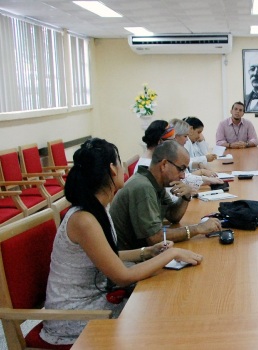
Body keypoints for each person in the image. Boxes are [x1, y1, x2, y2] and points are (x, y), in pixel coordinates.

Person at [40, 138, 203, 345]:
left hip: (96, 299)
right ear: (112, 169)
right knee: (161, 317)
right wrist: (171, 253)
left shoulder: (96, 208)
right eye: (119, 162)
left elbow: (109, 256)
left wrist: (147, 251)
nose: (123, 167)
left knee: (162, 305)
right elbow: (123, 276)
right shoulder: (84, 220)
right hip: (74, 318)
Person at [110, 140, 222, 251]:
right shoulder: (143, 187)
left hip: (145, 252)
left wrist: (186, 197)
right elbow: (155, 238)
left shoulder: (155, 182)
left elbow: (173, 216)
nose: (183, 176)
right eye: (181, 169)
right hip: (129, 262)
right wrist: (197, 228)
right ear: (164, 164)